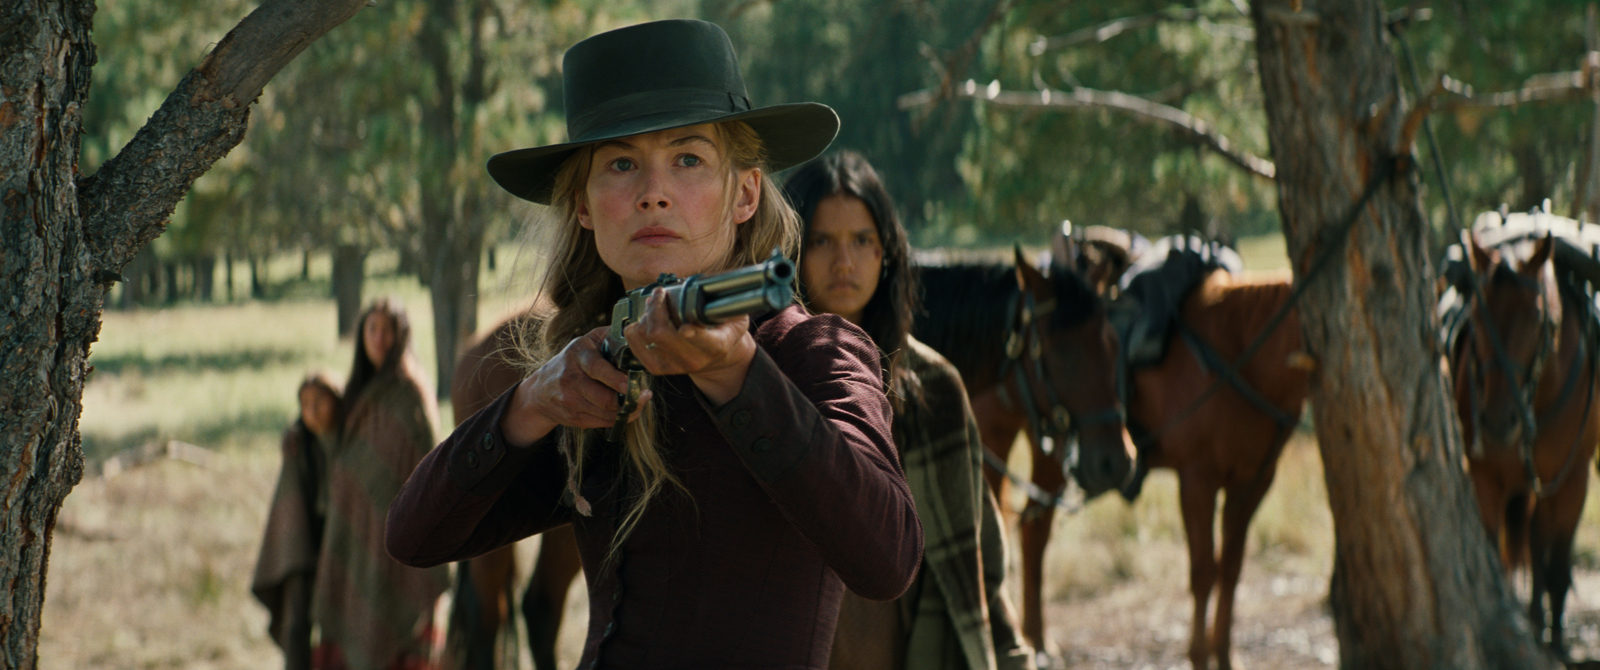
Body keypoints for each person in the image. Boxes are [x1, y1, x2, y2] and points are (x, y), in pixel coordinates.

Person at [384, 19, 923, 669]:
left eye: (688, 159)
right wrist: (530, 402)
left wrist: (738, 375)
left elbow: (888, 559)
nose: (653, 194)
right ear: (583, 205)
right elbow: (413, 536)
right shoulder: (593, 379)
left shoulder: (819, 351)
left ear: (745, 193)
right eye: (621, 164)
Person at [784, 151, 1036, 670]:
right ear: (790, 251)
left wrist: (1008, 655)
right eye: (822, 242)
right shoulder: (762, 378)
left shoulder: (933, 387)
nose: (844, 263)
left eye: (862, 241)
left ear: (887, 253)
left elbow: (976, 557)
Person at [315, 298, 450, 670]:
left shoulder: (411, 392)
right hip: (355, 538)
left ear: (401, 336)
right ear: (362, 335)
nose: (379, 338)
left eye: (388, 330)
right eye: (372, 329)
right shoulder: (358, 389)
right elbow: (336, 446)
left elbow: (429, 472)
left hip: (395, 544)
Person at [252, 372, 342, 670]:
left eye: (320, 402)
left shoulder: (350, 440)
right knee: (296, 620)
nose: (313, 411)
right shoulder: (298, 443)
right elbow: (291, 502)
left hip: (341, 543)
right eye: (305, 404)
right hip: (305, 544)